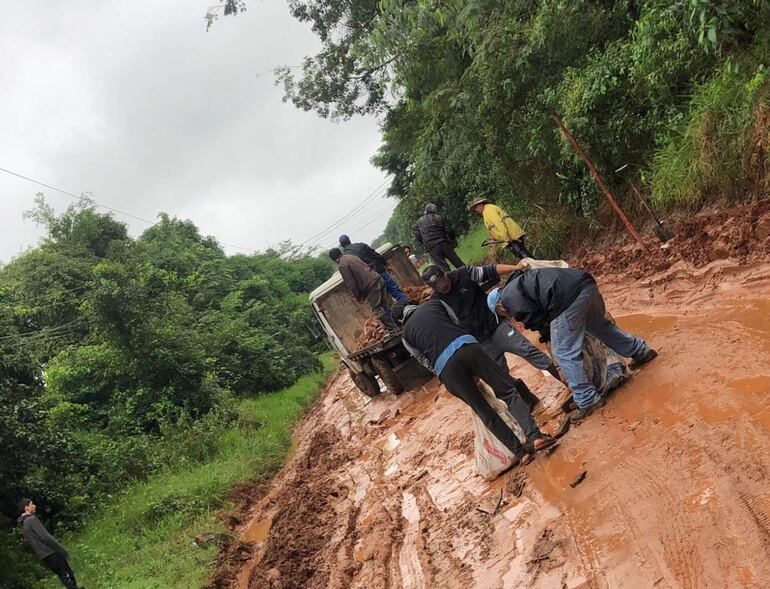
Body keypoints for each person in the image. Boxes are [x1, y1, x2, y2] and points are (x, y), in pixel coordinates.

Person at [488, 267, 657, 422]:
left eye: (503, 314)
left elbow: (535, 319)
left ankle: (586, 398)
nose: (508, 316)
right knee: (599, 326)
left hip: (567, 300)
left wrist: (547, 337)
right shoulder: (522, 281)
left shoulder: (508, 297)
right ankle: (640, 350)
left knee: (563, 351)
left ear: (499, 306)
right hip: (585, 284)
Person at [398, 300, 554, 465]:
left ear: (401, 321)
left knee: (484, 412)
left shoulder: (406, 336)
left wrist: (444, 369)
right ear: (414, 305)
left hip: (446, 369)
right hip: (467, 348)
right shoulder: (435, 304)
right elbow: (456, 323)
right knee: (508, 392)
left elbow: (423, 360)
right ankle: (535, 437)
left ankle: (521, 453)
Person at [421, 264, 564, 409]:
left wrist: (516, 267)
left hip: (497, 327)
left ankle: (569, 382)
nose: (444, 287)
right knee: (502, 379)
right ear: (432, 287)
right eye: (439, 287)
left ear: (445, 273)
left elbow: (490, 270)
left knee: (530, 352)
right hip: (480, 343)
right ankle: (530, 404)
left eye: (444, 282)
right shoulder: (437, 303)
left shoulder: (463, 274)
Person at [329, 248, 397, 332]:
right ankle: (399, 323)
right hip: (378, 278)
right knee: (387, 305)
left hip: (370, 286)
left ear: (334, 259)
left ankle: (393, 329)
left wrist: (358, 297)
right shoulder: (351, 256)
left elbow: (351, 283)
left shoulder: (342, 265)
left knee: (377, 309)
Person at [18, 499, 80, 589]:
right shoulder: (32, 520)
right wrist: (60, 549)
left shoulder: (23, 524)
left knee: (62, 576)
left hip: (43, 556)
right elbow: (45, 537)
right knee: (67, 574)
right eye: (32, 504)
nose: (34, 506)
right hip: (51, 551)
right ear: (26, 507)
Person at [338, 234, 408, 304]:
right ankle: (409, 306)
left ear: (341, 245)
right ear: (349, 240)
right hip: (379, 270)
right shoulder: (361, 245)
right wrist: (385, 264)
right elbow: (375, 255)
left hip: (371, 280)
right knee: (395, 291)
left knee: (385, 303)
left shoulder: (346, 258)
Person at [469, 196, 533, 260]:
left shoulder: (488, 211)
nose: (476, 210)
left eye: (476, 207)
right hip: (511, 236)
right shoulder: (487, 210)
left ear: (480, 204)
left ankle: (539, 268)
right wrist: (494, 237)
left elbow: (498, 224)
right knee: (525, 257)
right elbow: (494, 227)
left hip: (510, 237)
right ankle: (539, 268)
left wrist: (506, 238)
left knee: (526, 258)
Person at [412, 203, 464, 272]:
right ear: (434, 210)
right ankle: (471, 276)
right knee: (457, 262)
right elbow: (449, 230)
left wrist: (424, 242)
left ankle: (452, 281)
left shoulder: (419, 222)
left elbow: (417, 233)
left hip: (432, 247)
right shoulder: (438, 217)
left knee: (444, 268)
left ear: (426, 211)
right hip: (444, 243)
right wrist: (453, 239)